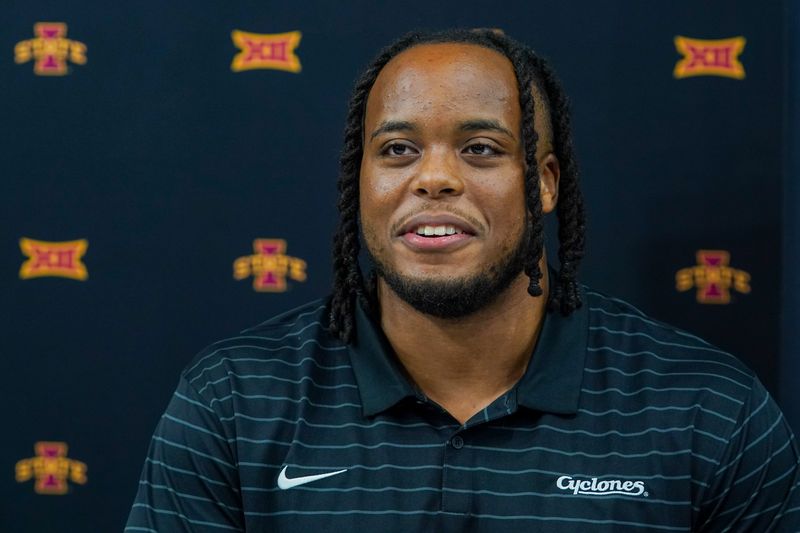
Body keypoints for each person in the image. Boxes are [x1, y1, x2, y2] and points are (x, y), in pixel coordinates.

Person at [125, 29, 800, 532]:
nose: (434, 177)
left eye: (481, 148)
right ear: (359, 183)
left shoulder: (710, 410)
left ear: (543, 183)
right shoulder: (234, 401)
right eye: (397, 150)